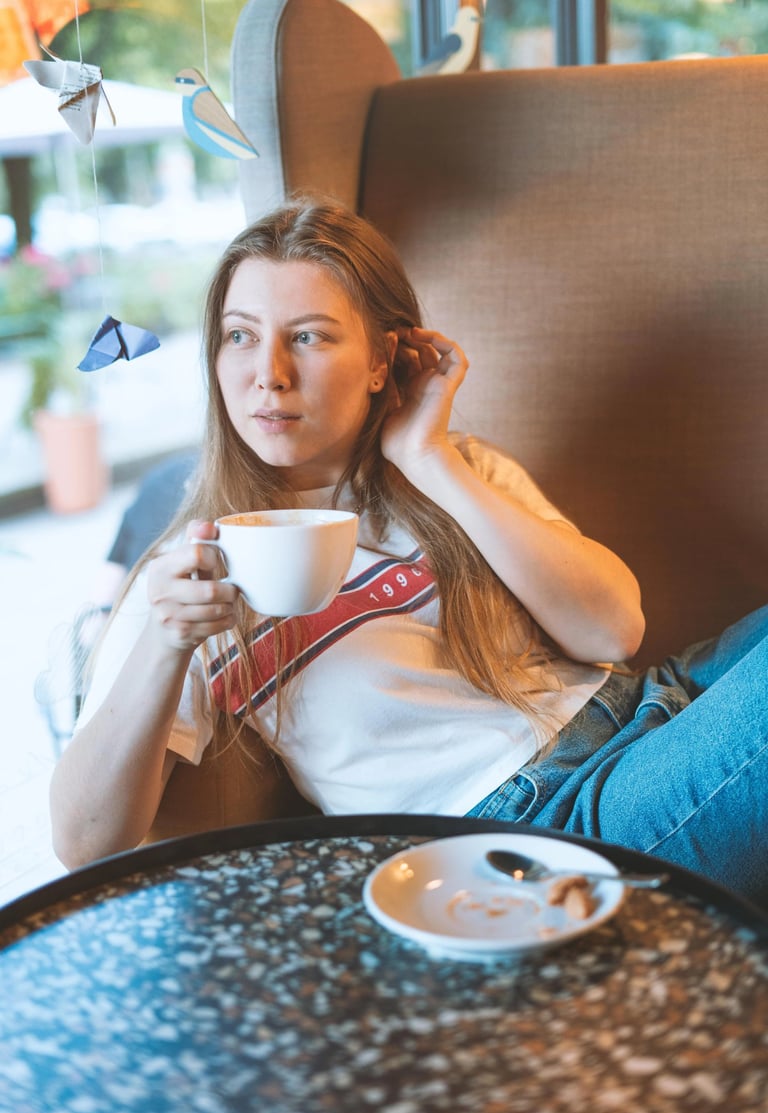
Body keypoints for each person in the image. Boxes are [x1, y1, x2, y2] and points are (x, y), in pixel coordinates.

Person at [51, 196, 767, 908]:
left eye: (308, 337)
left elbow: (614, 630)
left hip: (652, 706)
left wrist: (427, 457)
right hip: (541, 830)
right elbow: (83, 840)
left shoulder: (458, 471)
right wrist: (166, 638)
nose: (268, 372)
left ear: (380, 359)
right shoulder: (198, 569)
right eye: (240, 335)